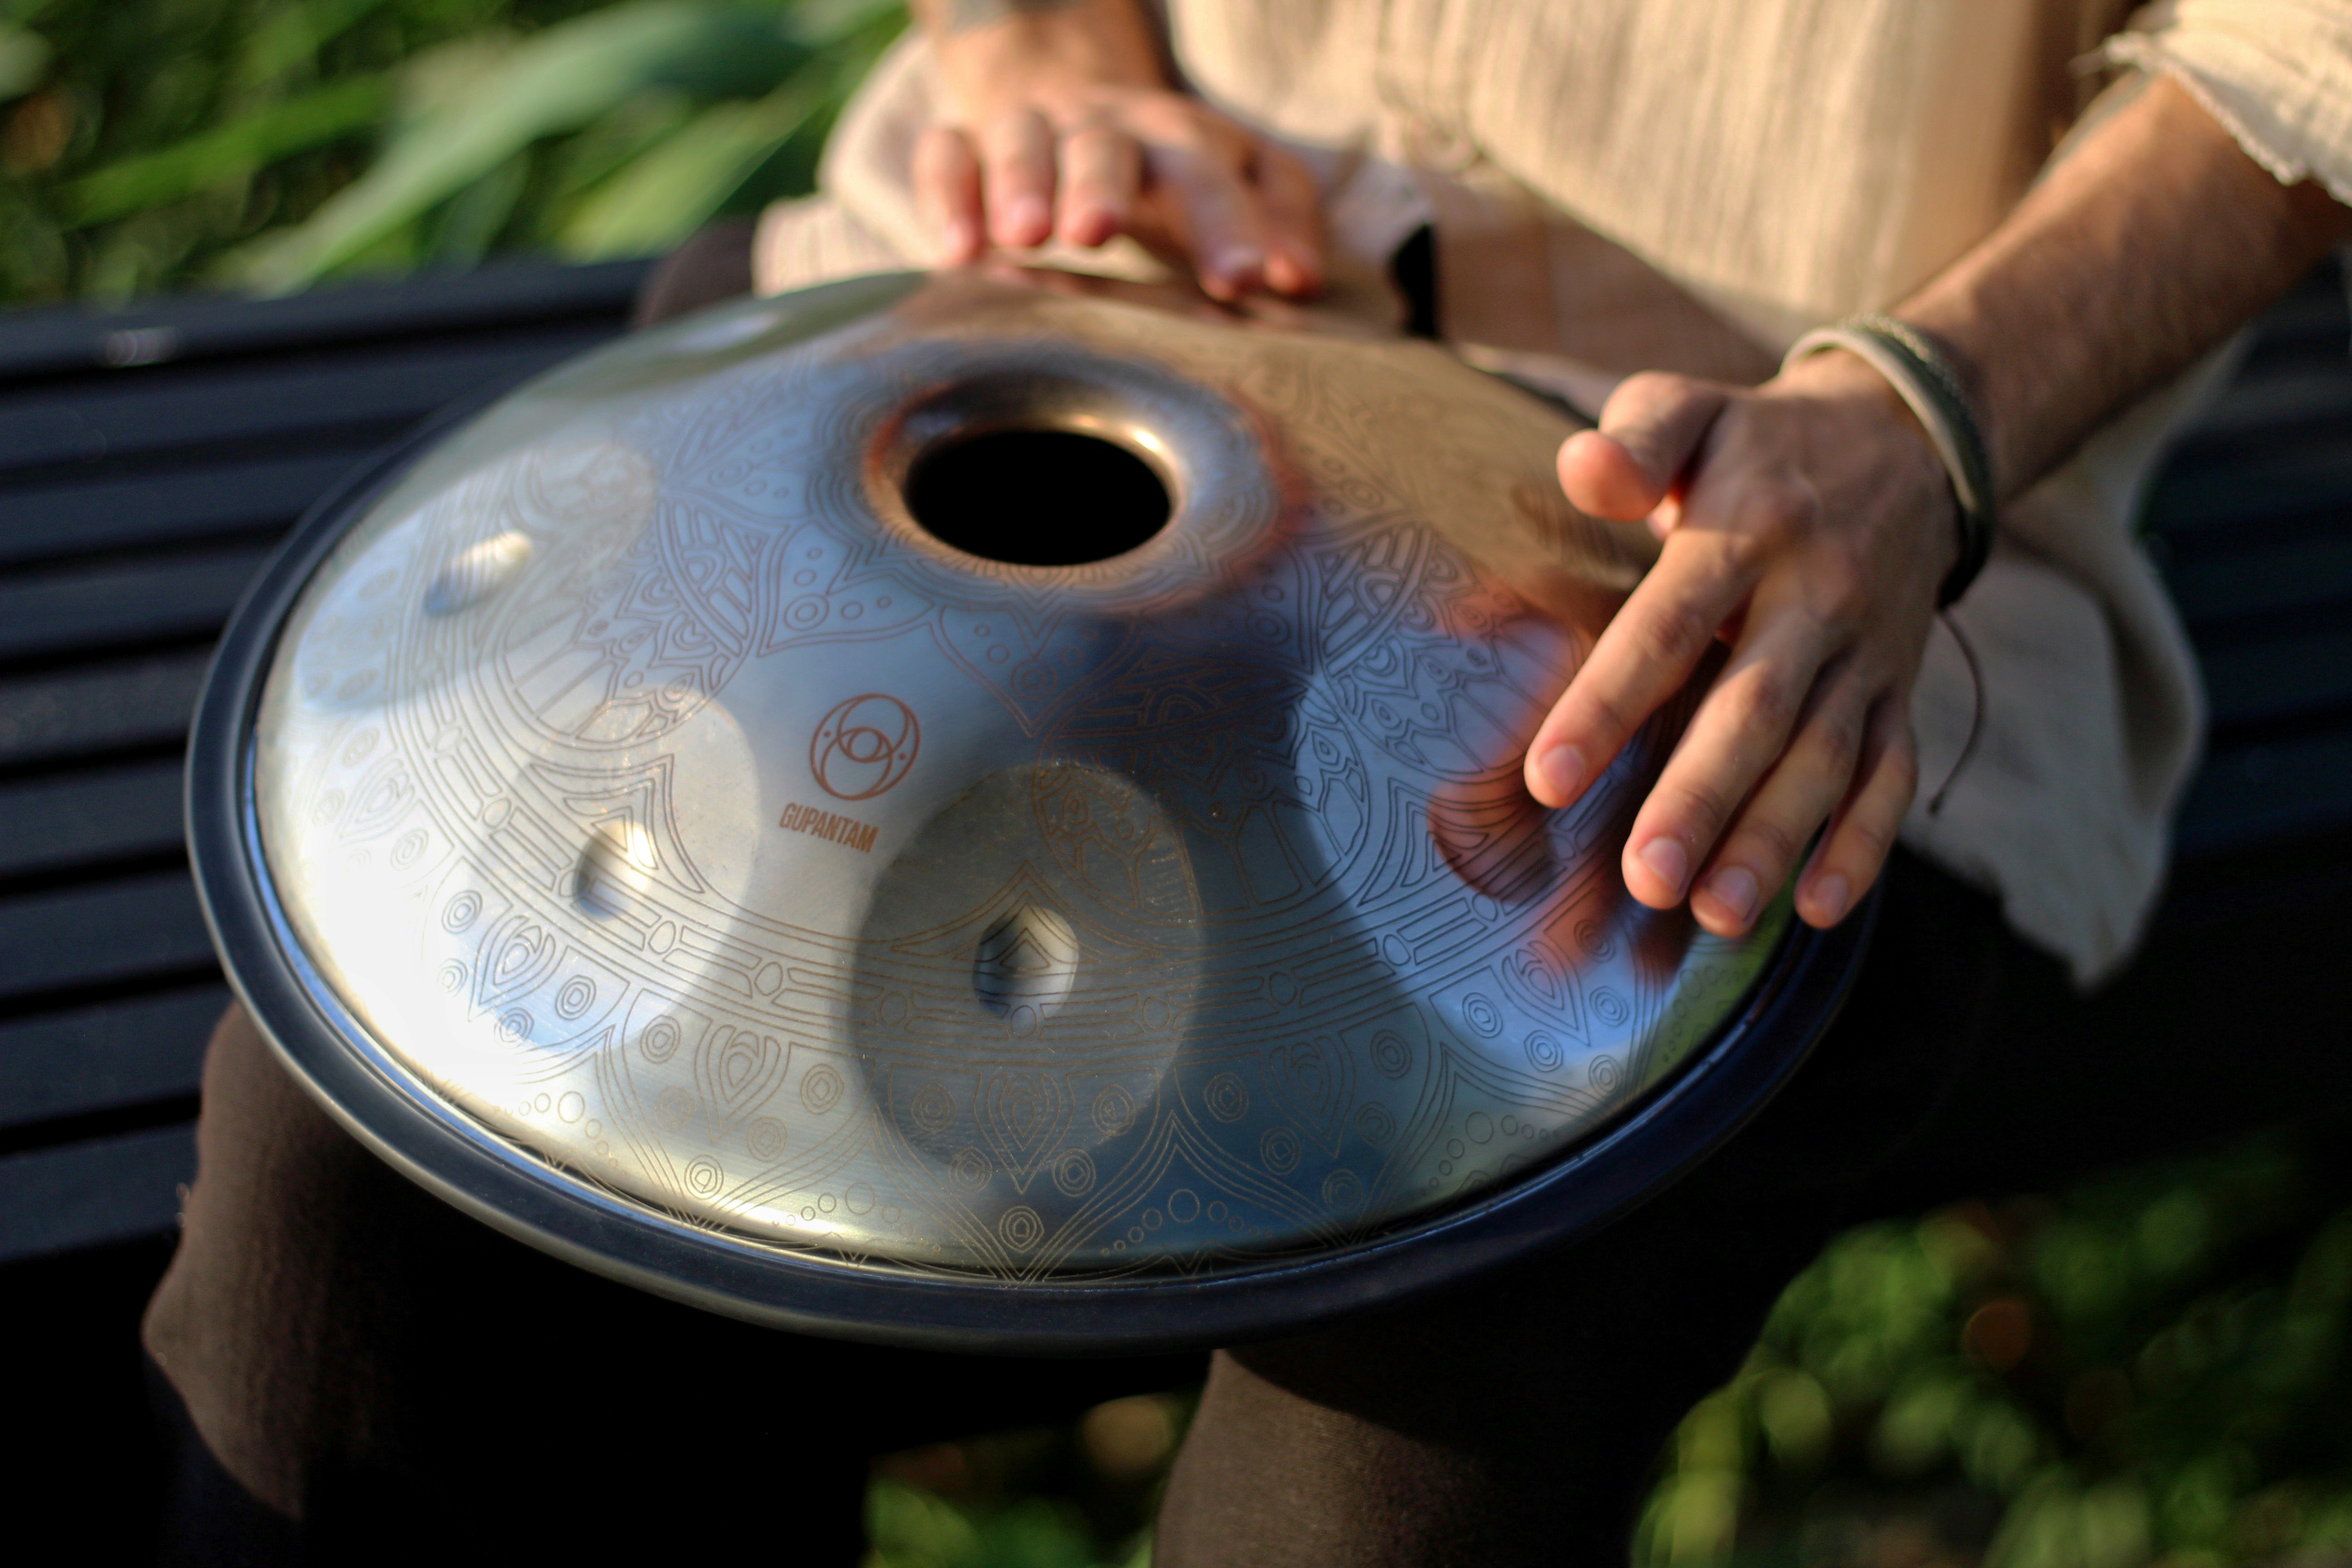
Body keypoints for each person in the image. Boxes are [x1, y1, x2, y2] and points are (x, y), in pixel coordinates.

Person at [145, 2, 2352, 1563]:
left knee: (1420, 1405)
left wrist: (1927, 421)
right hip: (1088, 257)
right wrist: (1042, 51)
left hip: (1787, 490)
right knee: (365, 1208)